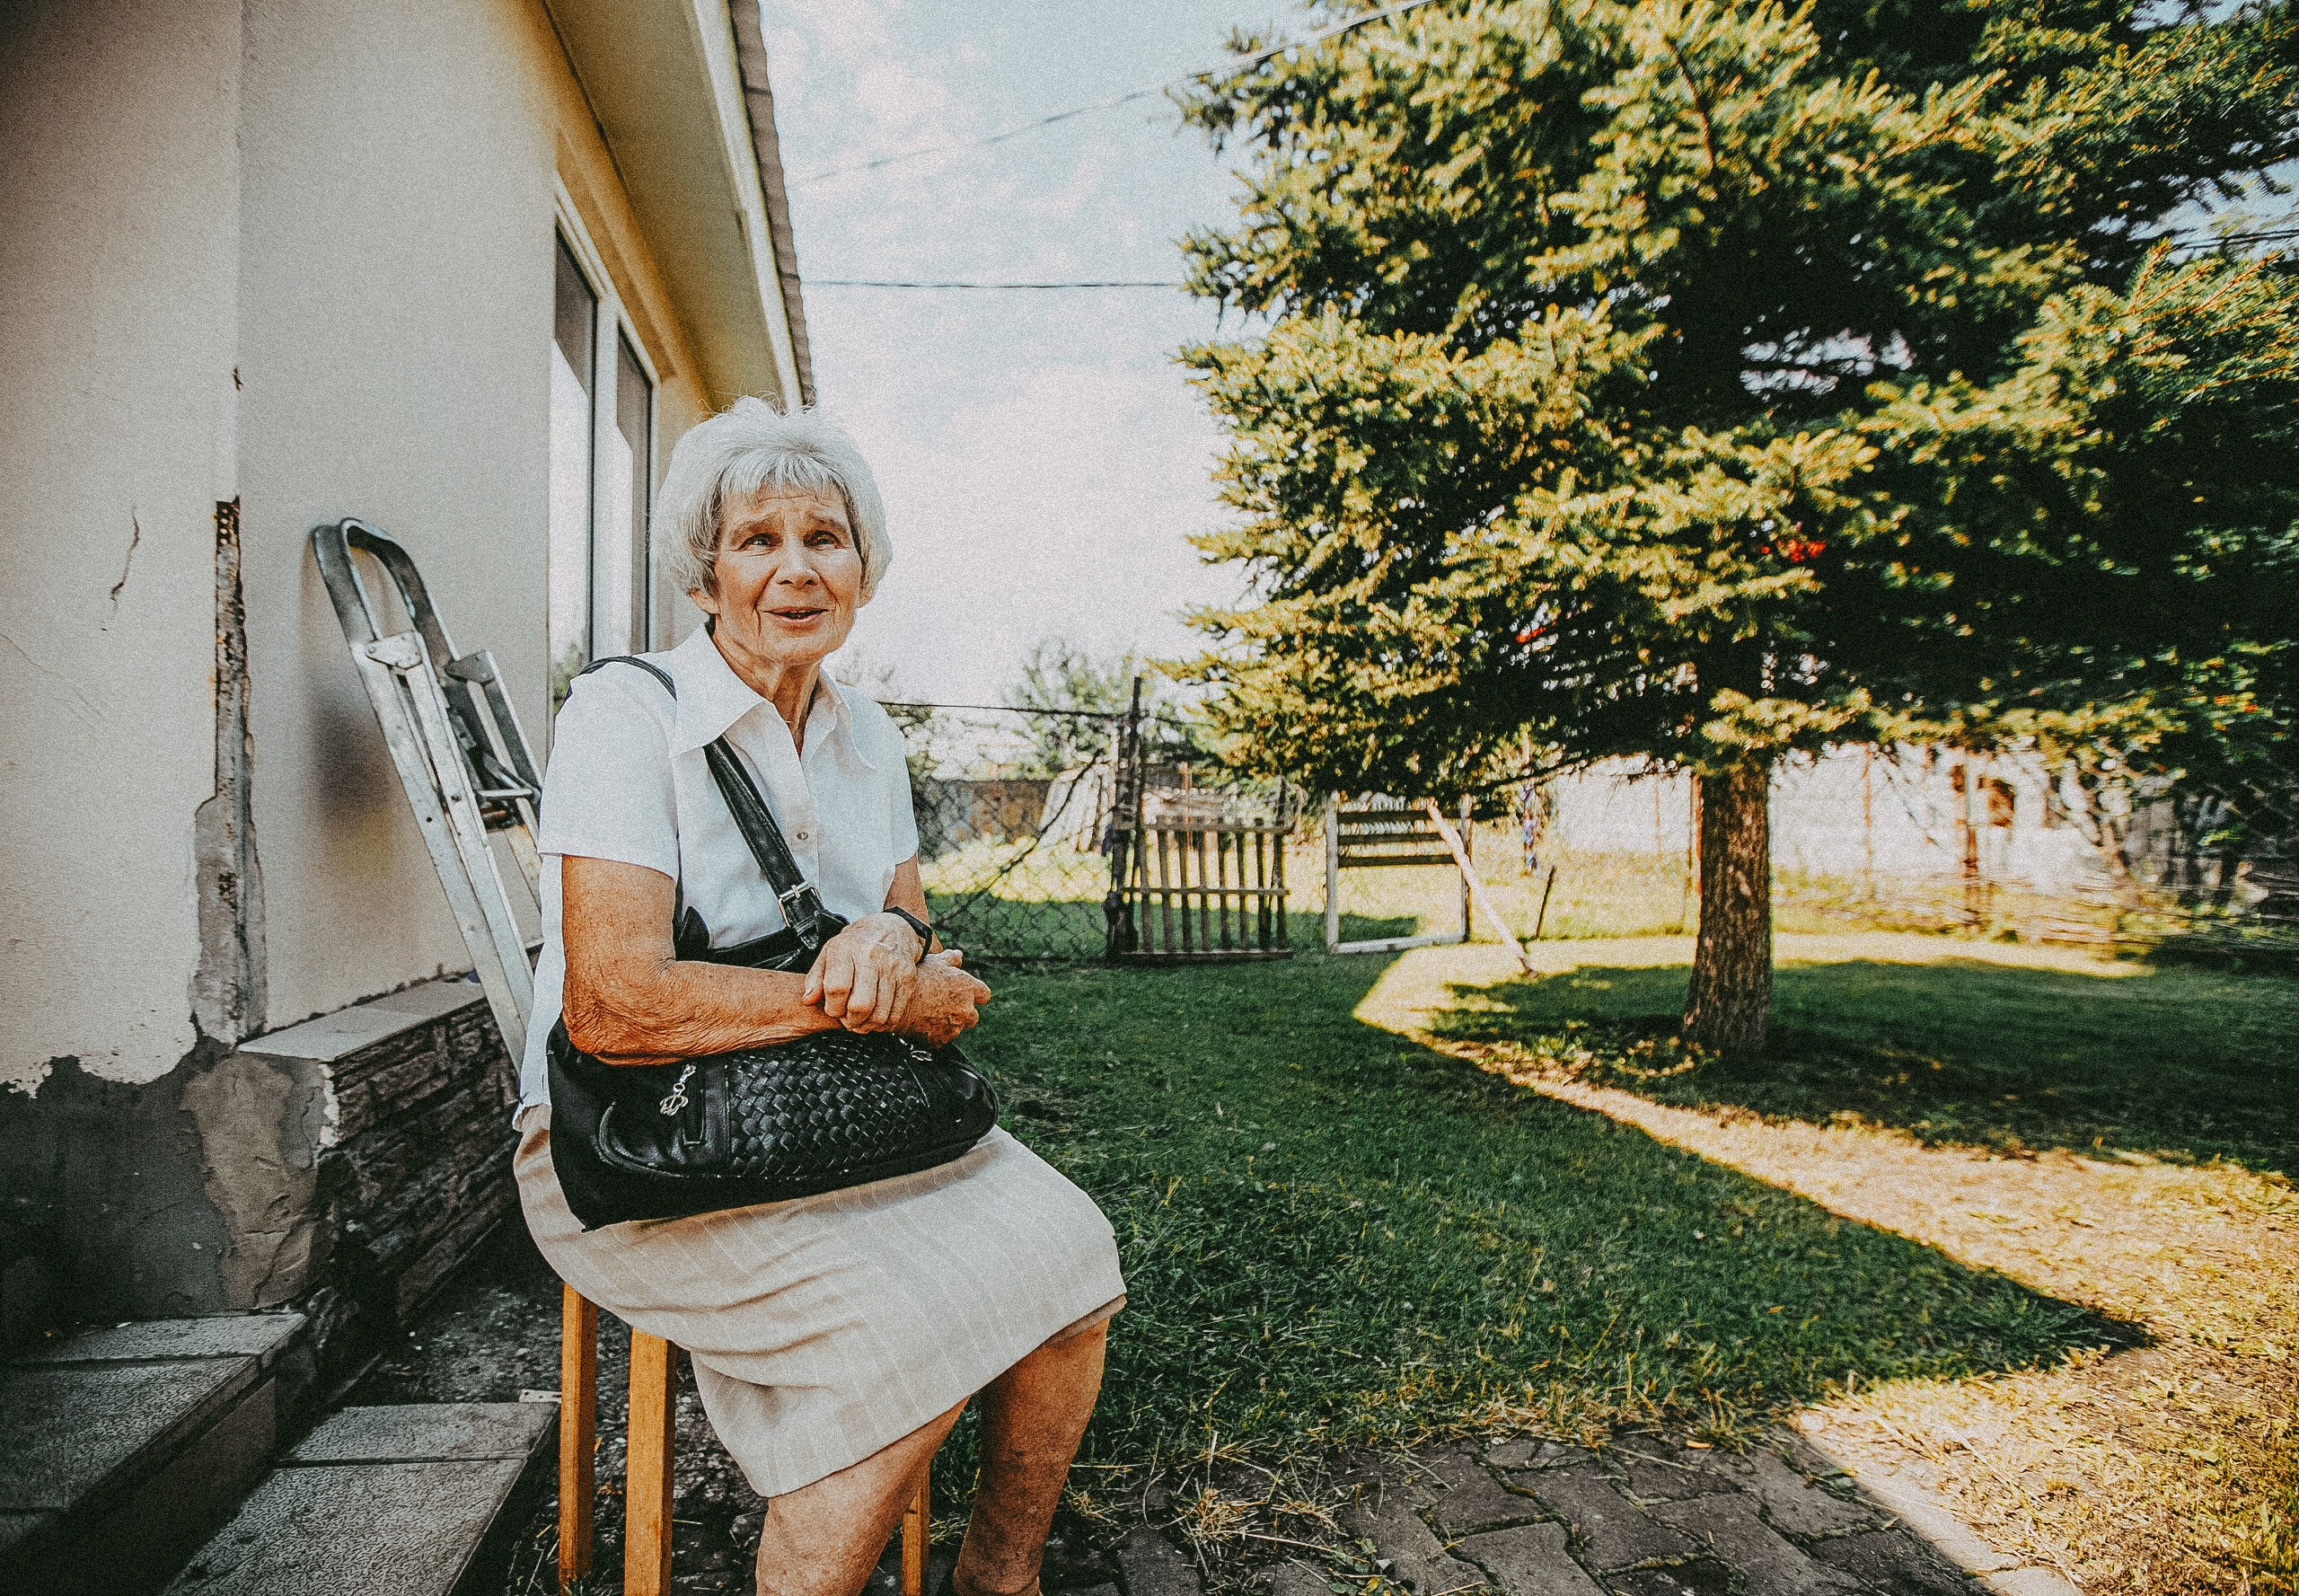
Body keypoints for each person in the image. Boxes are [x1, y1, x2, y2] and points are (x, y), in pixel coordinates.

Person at [514, 399, 1125, 1596]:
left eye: (826, 538)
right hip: (631, 1143)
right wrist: (876, 1001)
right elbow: (616, 1006)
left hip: (828, 1114)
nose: (796, 567)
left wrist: (894, 940)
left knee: (1076, 1258)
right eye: (758, 539)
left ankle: (999, 1576)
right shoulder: (626, 716)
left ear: (863, 571)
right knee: (901, 1349)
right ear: (705, 574)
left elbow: (909, 918)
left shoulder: (868, 739)